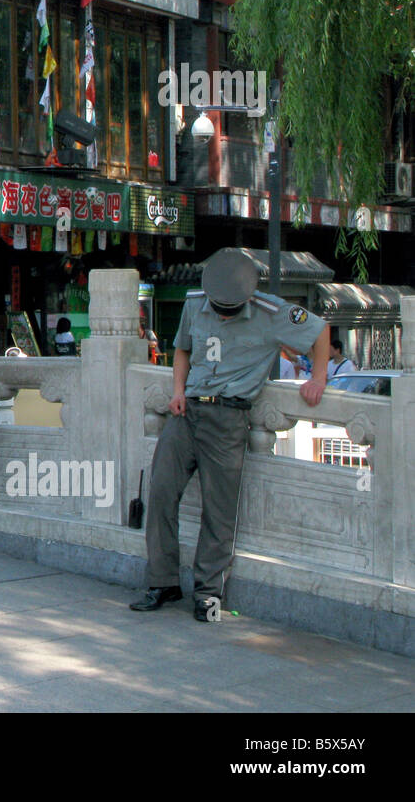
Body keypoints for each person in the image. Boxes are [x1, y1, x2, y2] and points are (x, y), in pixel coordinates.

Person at [130, 248, 329, 621]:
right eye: (218, 306)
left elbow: (320, 332)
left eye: (229, 308)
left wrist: (317, 378)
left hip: (229, 416)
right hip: (187, 410)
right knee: (159, 491)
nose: (222, 313)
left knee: (218, 511)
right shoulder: (195, 303)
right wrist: (177, 390)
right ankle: (162, 581)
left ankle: (207, 593)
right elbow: (183, 350)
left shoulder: (271, 312)